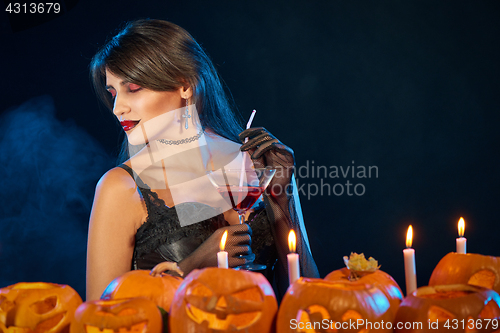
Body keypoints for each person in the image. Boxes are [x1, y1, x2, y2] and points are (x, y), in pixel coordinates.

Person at [86, 19, 319, 301]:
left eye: (133, 88)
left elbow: (310, 298)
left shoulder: (258, 163)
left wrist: (283, 202)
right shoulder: (121, 187)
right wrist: (191, 267)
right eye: (112, 94)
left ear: (185, 85)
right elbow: (100, 318)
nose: (117, 108)